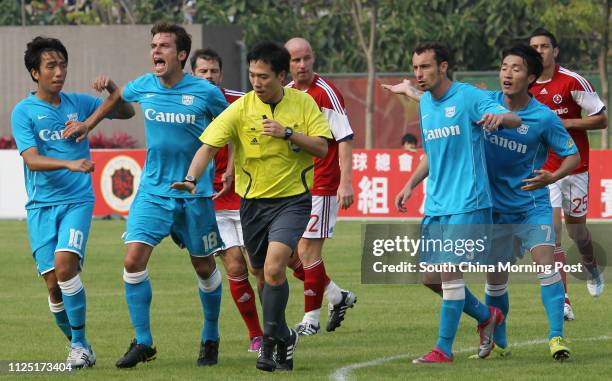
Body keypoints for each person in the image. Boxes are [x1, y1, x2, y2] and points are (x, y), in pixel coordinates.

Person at [64, 23, 229, 368]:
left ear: (181, 55)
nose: (156, 51)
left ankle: (210, 335)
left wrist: (232, 168)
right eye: (154, 45)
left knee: (203, 266)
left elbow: (233, 129)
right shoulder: (145, 84)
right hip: (153, 190)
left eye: (164, 46)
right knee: (132, 260)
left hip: (194, 193)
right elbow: (120, 104)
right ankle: (144, 342)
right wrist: (90, 121)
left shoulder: (205, 92)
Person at [172, 41, 332, 372]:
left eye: (263, 76)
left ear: (281, 75)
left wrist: (287, 133)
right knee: (261, 274)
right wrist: (191, 178)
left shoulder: (302, 104)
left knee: (274, 268)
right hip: (253, 205)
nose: (256, 82)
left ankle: (270, 342)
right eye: (252, 75)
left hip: (292, 201)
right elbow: (207, 146)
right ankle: (284, 336)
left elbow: (320, 147)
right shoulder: (241, 108)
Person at [385, 41, 522, 363]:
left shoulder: (469, 97)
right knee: (430, 278)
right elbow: (433, 154)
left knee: (448, 272)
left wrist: (499, 118)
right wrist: (409, 185)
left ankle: (442, 348)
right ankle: (487, 316)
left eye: (425, 67)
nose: (419, 74)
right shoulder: (426, 105)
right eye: (415, 68)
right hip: (437, 205)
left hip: (469, 201)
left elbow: (513, 118)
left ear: (443, 67)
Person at [11, 36, 134, 368]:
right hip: (40, 208)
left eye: (63, 64)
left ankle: (78, 346)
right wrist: (69, 162)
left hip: (77, 200)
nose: (59, 72)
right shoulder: (23, 112)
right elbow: (32, 160)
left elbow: (125, 110)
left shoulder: (78, 103)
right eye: (51, 66)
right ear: (35, 72)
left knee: (66, 267)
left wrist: (111, 88)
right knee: (53, 288)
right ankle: (82, 345)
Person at [474, 44, 579, 361]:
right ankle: (498, 337)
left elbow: (572, 156)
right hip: (494, 208)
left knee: (547, 269)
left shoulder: (543, 118)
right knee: (495, 282)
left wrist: (552, 176)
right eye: (504, 66)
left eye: (516, 68)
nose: (507, 73)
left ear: (531, 76)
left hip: (532, 206)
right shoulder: (485, 103)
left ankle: (556, 337)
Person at [528, 28, 607, 320]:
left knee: (578, 232)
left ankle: (591, 265)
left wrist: (566, 122)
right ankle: (563, 302)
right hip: (544, 170)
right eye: (534, 46)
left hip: (575, 167)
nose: (539, 51)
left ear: (555, 51)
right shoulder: (525, 84)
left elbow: (601, 118)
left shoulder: (572, 81)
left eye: (544, 46)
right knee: (552, 235)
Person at [190, 47, 264, 352]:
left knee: (260, 267)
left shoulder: (241, 100)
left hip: (249, 197)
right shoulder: (184, 104)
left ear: (221, 73)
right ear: (193, 73)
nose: (208, 77)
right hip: (213, 201)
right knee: (234, 266)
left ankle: (275, 326)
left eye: (213, 71)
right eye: (202, 71)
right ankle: (256, 334)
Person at [285, 37, 356, 336]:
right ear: (286, 64)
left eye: (307, 58)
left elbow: (345, 138)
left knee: (307, 251)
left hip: (322, 184)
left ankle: (310, 320)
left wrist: (346, 183)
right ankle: (337, 296)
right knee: (289, 255)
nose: (302, 65)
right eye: (296, 60)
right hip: (291, 186)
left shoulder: (325, 93)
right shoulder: (285, 94)